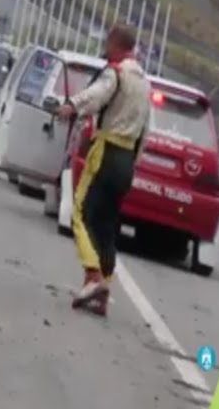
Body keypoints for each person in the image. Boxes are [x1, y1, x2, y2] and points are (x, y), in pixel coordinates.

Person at [56, 25, 151, 317]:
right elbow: (146, 130)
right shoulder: (145, 84)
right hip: (127, 158)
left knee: (81, 213)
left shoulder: (116, 73)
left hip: (107, 149)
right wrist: (134, 162)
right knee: (107, 224)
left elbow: (96, 95)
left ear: (116, 44)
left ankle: (93, 275)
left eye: (108, 44)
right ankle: (102, 291)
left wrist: (72, 105)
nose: (106, 49)